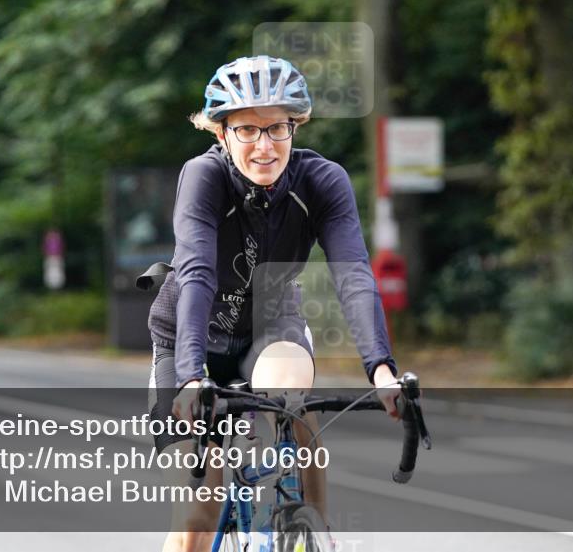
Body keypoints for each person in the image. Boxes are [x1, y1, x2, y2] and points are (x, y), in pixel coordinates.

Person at [142, 55, 400, 552]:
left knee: (291, 402)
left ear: (294, 127)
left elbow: (353, 275)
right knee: (198, 515)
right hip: (188, 341)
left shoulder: (322, 181)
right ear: (222, 134)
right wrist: (191, 377)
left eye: (277, 128)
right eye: (247, 130)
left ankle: (315, 529)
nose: (265, 146)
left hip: (270, 327)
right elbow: (196, 273)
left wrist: (382, 370)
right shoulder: (203, 177)